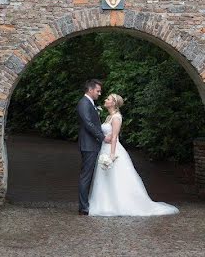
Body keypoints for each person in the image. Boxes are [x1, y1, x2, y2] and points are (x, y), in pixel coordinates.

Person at [87, 93, 179, 216]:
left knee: (117, 178)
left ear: (113, 103)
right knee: (105, 178)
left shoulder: (116, 117)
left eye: (108, 99)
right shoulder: (109, 117)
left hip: (112, 150)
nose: (105, 100)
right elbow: (106, 135)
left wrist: (112, 154)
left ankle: (121, 204)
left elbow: (114, 137)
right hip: (104, 149)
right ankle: (105, 203)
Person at [76, 79, 108, 215]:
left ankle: (86, 204)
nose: (99, 93)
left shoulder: (90, 103)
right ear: (90, 90)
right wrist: (102, 137)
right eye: (98, 91)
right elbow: (88, 123)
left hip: (92, 144)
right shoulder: (83, 103)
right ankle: (83, 207)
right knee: (86, 176)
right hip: (89, 145)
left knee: (89, 175)